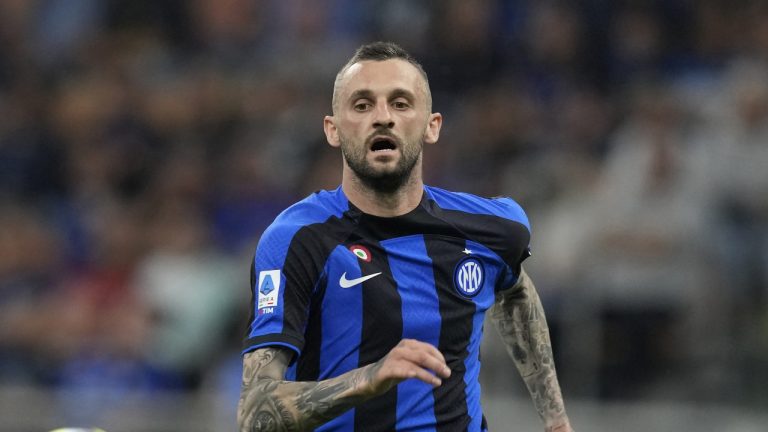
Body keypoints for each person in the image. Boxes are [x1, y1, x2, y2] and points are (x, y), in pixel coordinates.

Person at [237, 41, 574, 432]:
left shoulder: (493, 227)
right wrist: (370, 378)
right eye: (362, 105)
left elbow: (514, 290)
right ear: (333, 129)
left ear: (432, 125)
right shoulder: (297, 239)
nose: (383, 117)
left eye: (400, 103)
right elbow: (254, 412)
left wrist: (555, 419)